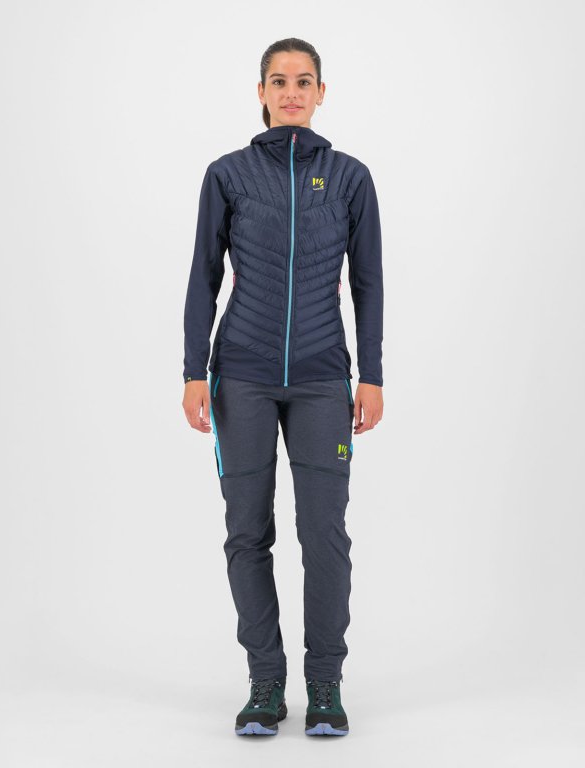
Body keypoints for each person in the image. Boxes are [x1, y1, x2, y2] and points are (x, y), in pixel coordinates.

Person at [181, 37, 384, 737]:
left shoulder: (350, 177)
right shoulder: (228, 175)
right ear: (261, 93)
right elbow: (204, 276)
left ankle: (325, 683)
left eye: (303, 81)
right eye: (279, 81)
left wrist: (371, 375)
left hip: (325, 377)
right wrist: (193, 370)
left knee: (324, 534)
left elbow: (368, 282)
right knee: (247, 531)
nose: (291, 92)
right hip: (241, 375)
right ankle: (265, 683)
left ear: (321, 93)